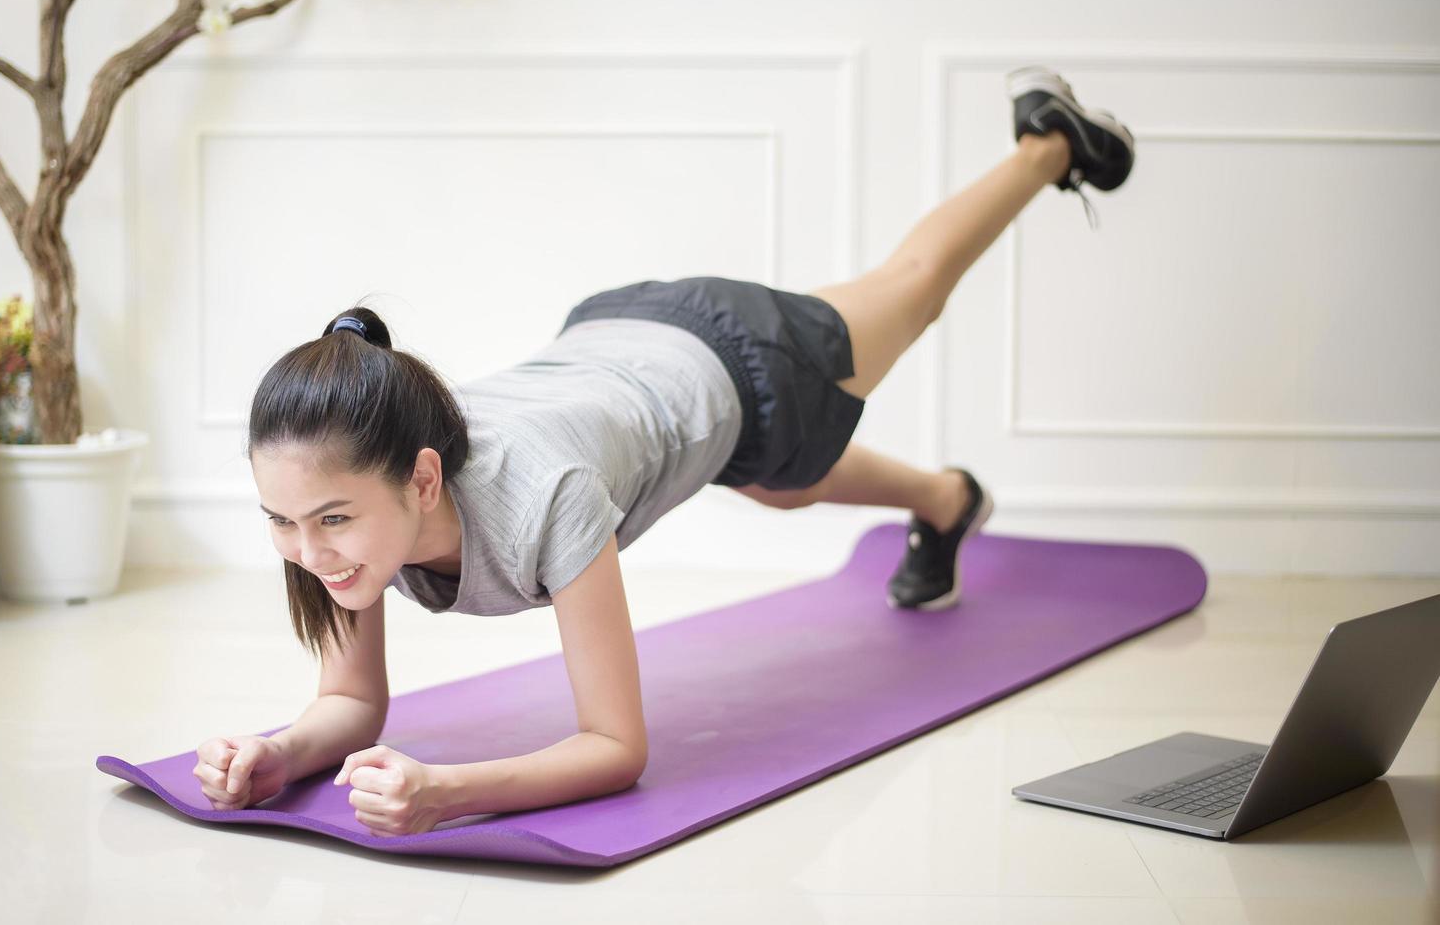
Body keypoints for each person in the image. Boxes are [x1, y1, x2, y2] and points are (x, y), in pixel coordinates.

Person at [190, 66, 1135, 835]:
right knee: (782, 479)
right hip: (616, 347)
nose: (310, 553)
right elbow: (350, 703)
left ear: (423, 477)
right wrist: (279, 751)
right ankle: (944, 500)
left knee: (913, 286)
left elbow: (615, 745)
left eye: (331, 522)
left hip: (730, 359)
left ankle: (1050, 141)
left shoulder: (543, 501)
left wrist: (449, 791)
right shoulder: (349, 494)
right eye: (281, 521)